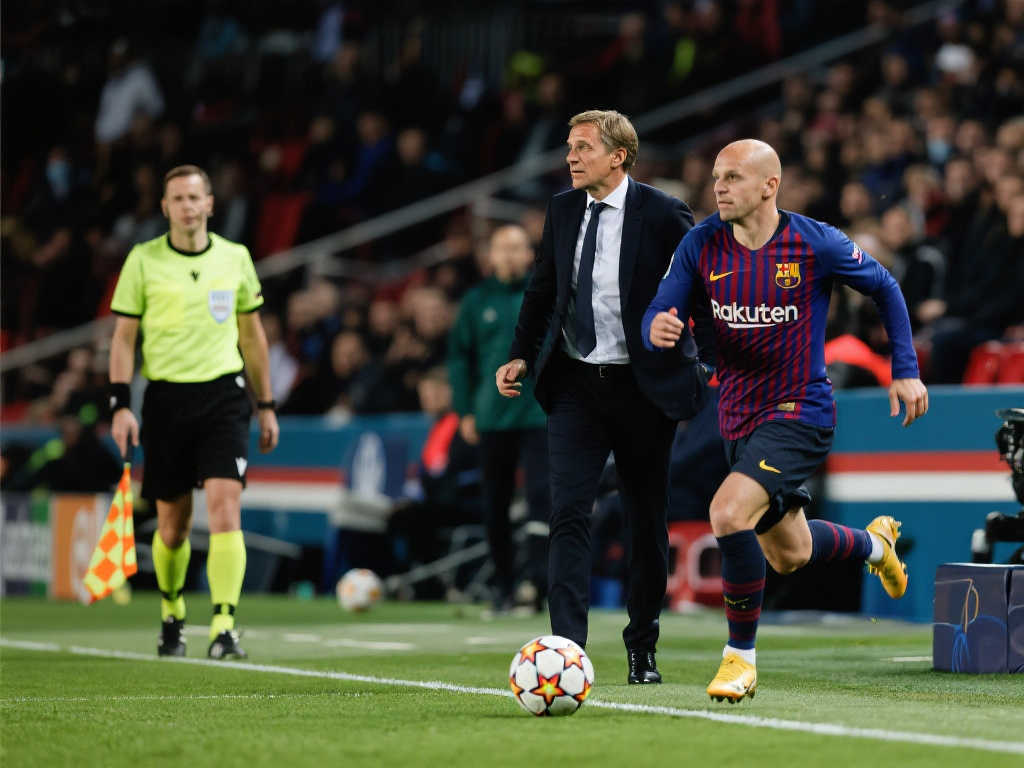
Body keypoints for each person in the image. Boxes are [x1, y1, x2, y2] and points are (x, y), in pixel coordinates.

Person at [643, 139, 928, 702]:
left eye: (733, 177)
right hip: (738, 416)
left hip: (801, 411)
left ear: (769, 185)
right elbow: (660, 306)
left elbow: (885, 287)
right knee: (789, 552)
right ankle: (875, 546)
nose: (719, 187)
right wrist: (657, 327)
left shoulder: (814, 241)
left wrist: (906, 369)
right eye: (717, 177)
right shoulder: (700, 243)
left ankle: (740, 660)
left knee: (728, 512)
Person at [496, 110, 710, 684]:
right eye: (569, 147)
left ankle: (642, 647)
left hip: (643, 387)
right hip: (574, 385)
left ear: (618, 156)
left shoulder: (663, 212)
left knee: (645, 520)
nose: (570, 157)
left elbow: (699, 286)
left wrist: (705, 357)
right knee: (567, 511)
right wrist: (520, 353)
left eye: (583, 147)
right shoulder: (563, 209)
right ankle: (567, 650)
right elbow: (543, 287)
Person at [108, 164, 280, 660]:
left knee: (226, 508)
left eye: (194, 197)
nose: (187, 206)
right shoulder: (143, 260)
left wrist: (265, 404)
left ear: (209, 204)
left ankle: (224, 626)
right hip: (166, 399)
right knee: (173, 527)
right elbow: (123, 339)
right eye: (178, 199)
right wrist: (120, 405)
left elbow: (253, 337)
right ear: (165, 207)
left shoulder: (235, 257)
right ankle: (172, 614)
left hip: (224, 396)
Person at [449, 223, 549, 613]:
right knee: (495, 503)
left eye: (516, 247)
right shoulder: (475, 302)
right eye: (501, 248)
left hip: (539, 411)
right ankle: (504, 587)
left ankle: (539, 586)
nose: (508, 255)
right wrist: (465, 411)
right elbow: (460, 359)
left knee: (543, 498)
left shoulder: (543, 292)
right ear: (490, 256)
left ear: (529, 254)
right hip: (491, 416)